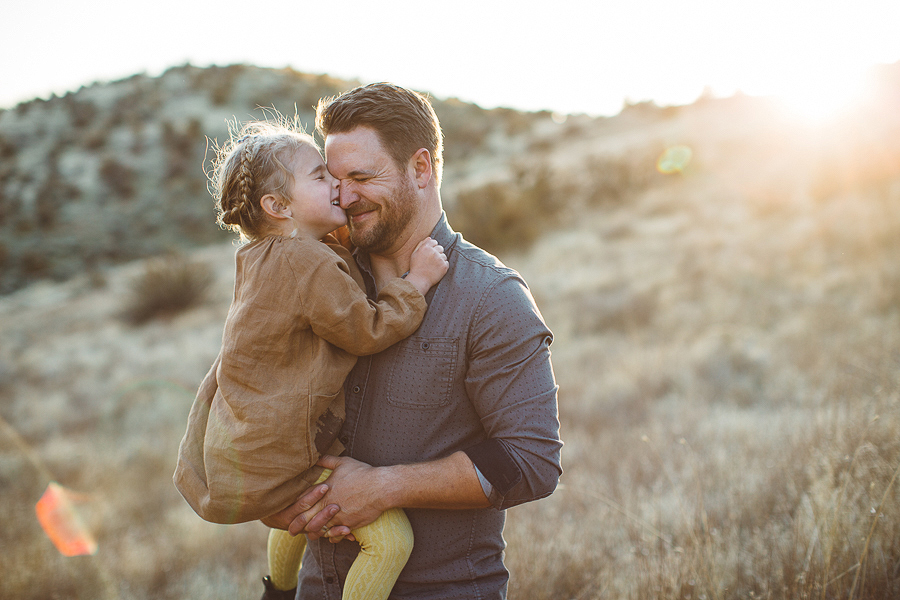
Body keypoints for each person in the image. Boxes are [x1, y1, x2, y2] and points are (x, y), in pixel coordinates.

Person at [262, 83, 563, 599]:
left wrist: (382, 488)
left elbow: (531, 462)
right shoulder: (317, 283)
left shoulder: (491, 298)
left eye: (362, 177)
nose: (345, 197)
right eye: (334, 180)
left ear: (421, 168)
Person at [172, 116, 449, 600]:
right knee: (390, 541)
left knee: (297, 510)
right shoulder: (308, 262)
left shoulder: (258, 256)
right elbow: (366, 330)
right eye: (321, 177)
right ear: (278, 205)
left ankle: (277, 592)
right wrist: (417, 282)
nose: (338, 189)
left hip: (245, 449)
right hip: (282, 455)